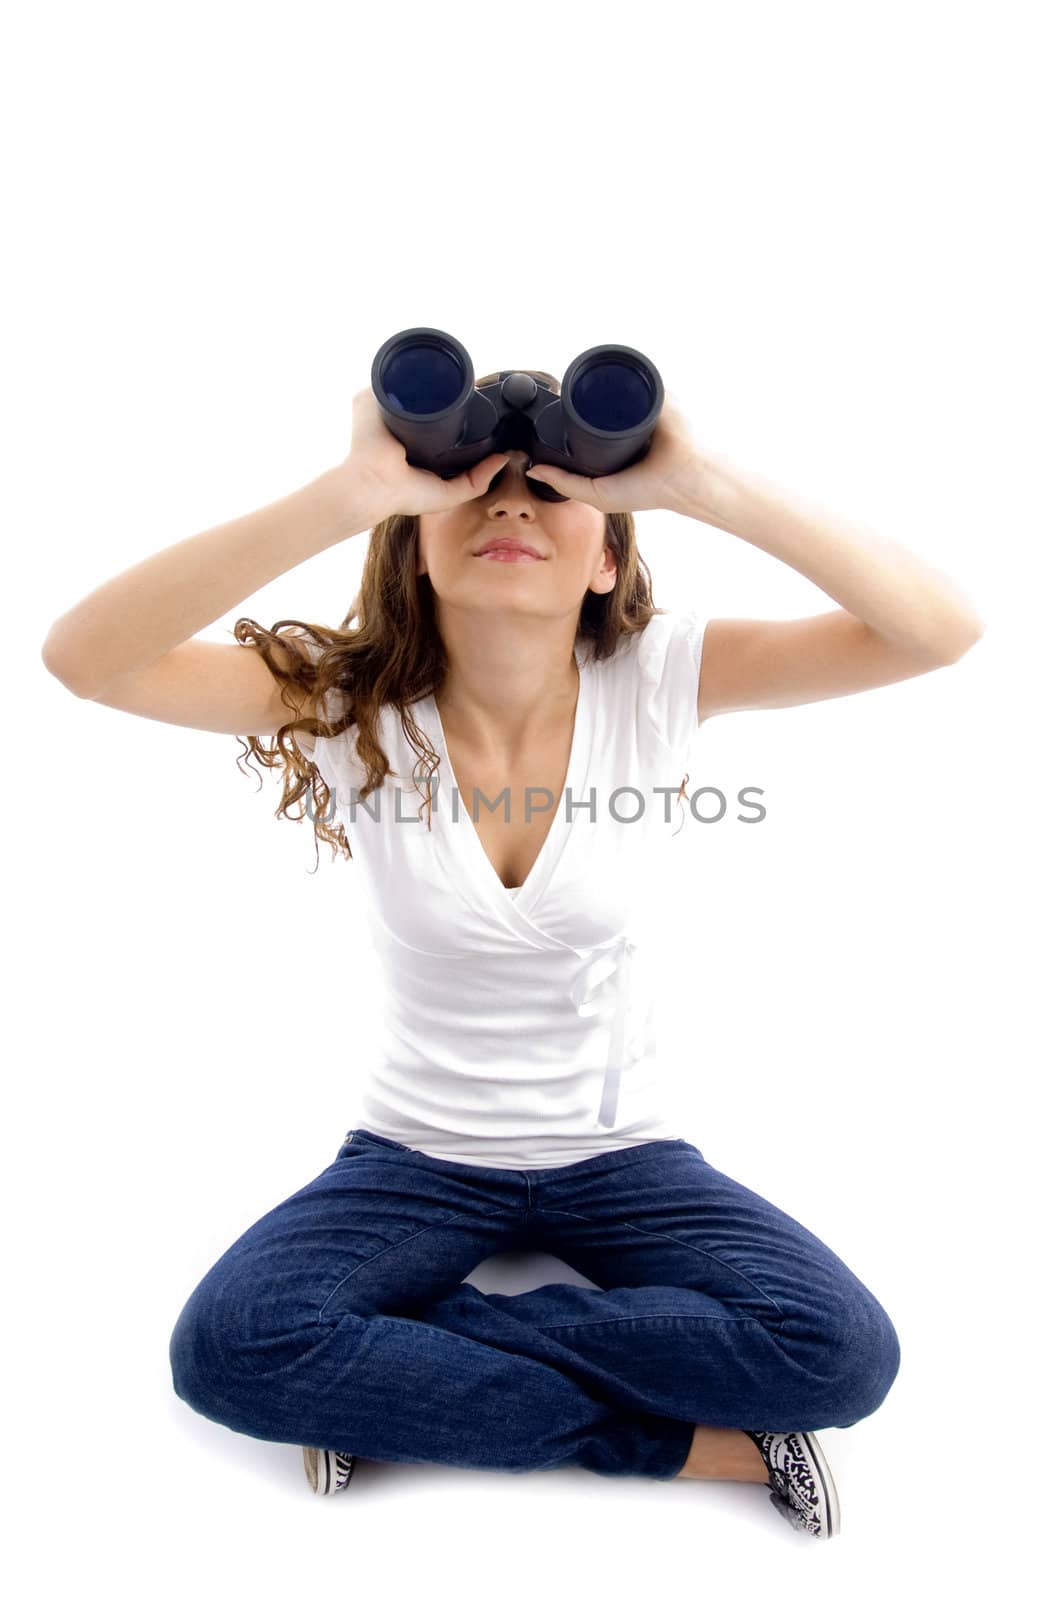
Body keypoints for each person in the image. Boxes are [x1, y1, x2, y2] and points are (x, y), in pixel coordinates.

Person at [41, 365, 984, 1537]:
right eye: (474, 484)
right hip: (414, 1157)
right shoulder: (346, 705)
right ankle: (672, 1443)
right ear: (413, 545)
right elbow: (84, 659)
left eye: (551, 487)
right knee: (230, 1350)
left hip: (622, 1157)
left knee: (837, 1356)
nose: (510, 504)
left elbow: (939, 631)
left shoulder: (660, 678)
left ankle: (386, 1382)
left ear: (605, 559)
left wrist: (697, 481)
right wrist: (344, 491)